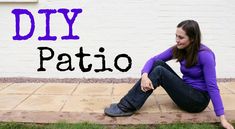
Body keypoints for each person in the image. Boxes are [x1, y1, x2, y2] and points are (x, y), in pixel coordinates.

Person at [104, 20, 234, 129]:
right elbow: (153, 60)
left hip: (197, 101)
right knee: (158, 64)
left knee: (159, 72)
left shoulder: (206, 56)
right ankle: (126, 104)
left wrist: (222, 118)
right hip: (186, 91)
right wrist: (144, 75)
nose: (177, 40)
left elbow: (212, 87)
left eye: (181, 37)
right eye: (176, 36)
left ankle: (126, 107)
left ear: (193, 38)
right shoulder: (180, 49)